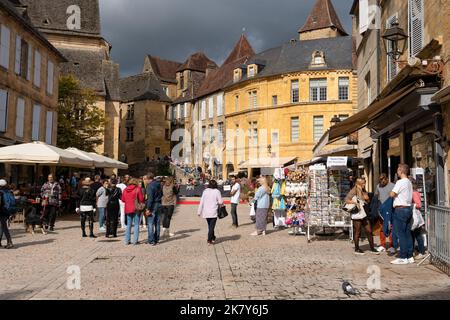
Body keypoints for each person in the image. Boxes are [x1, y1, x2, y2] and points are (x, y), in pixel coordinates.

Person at [345, 177, 378, 255]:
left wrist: (367, 199)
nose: (364, 184)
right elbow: (346, 200)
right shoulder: (354, 190)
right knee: (358, 231)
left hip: (364, 213)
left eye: (364, 183)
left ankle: (372, 248)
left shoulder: (363, 190)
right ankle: (357, 249)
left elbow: (367, 200)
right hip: (357, 214)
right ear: (358, 183)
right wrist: (356, 203)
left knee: (369, 231)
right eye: (363, 183)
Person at [390, 164, 414, 265]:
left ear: (401, 171)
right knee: (407, 233)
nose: (397, 172)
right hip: (408, 208)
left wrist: (392, 192)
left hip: (400, 209)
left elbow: (392, 194)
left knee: (401, 234)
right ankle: (410, 256)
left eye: (398, 170)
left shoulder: (400, 182)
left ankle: (403, 256)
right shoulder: (409, 182)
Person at [374, 173, 397, 253]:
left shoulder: (393, 186)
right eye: (380, 180)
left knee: (390, 227)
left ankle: (392, 245)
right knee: (381, 228)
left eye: (383, 179)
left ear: (387, 179)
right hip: (381, 210)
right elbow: (376, 196)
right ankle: (382, 245)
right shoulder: (378, 186)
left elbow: (395, 196)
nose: (382, 181)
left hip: (390, 209)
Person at [198, 180, 223, 245]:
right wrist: (217, 202)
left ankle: (213, 237)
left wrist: (199, 211)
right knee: (211, 227)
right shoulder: (217, 191)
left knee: (210, 226)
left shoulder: (205, 191)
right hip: (213, 211)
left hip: (206, 212)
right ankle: (209, 240)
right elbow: (220, 202)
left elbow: (201, 202)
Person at [121, 178, 144, 245]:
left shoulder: (125, 189)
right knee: (136, 224)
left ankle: (127, 241)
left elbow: (123, 199)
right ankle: (135, 241)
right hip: (136, 208)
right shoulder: (138, 189)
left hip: (128, 208)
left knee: (128, 225)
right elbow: (141, 199)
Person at [145, 173, 163, 246]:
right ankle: (157, 239)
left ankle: (151, 240)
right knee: (157, 223)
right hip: (159, 204)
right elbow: (161, 194)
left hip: (153, 205)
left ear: (149, 179)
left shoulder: (150, 186)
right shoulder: (158, 184)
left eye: (145, 179)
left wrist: (148, 208)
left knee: (150, 223)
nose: (145, 181)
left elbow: (150, 198)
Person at [411, 178, 426, 260]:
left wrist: (411, 205)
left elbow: (419, 205)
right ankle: (413, 251)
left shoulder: (414, 193)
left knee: (417, 235)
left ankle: (422, 252)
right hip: (414, 217)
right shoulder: (413, 192)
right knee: (413, 235)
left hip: (416, 217)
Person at [0, 180, 14, 249]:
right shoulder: (9, 192)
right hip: (7, 211)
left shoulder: (1, 192)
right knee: (2, 226)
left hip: (2, 211)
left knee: (3, 227)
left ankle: (10, 242)